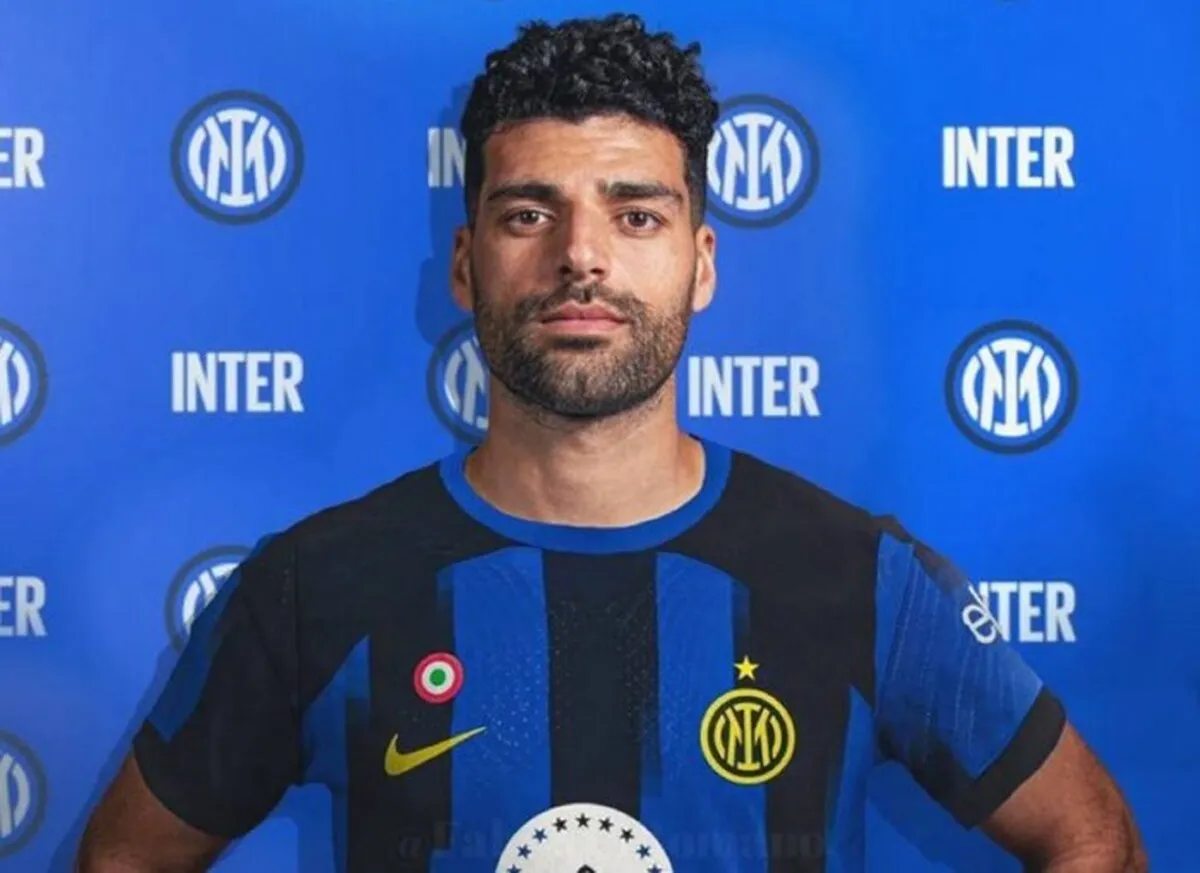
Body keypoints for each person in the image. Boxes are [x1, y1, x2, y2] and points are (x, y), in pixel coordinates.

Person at [77, 13, 1146, 873]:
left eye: (636, 215)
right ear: (465, 266)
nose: (581, 256)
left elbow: (1091, 837)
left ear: (703, 263)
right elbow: (126, 856)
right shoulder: (314, 586)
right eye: (528, 214)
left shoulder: (860, 579)